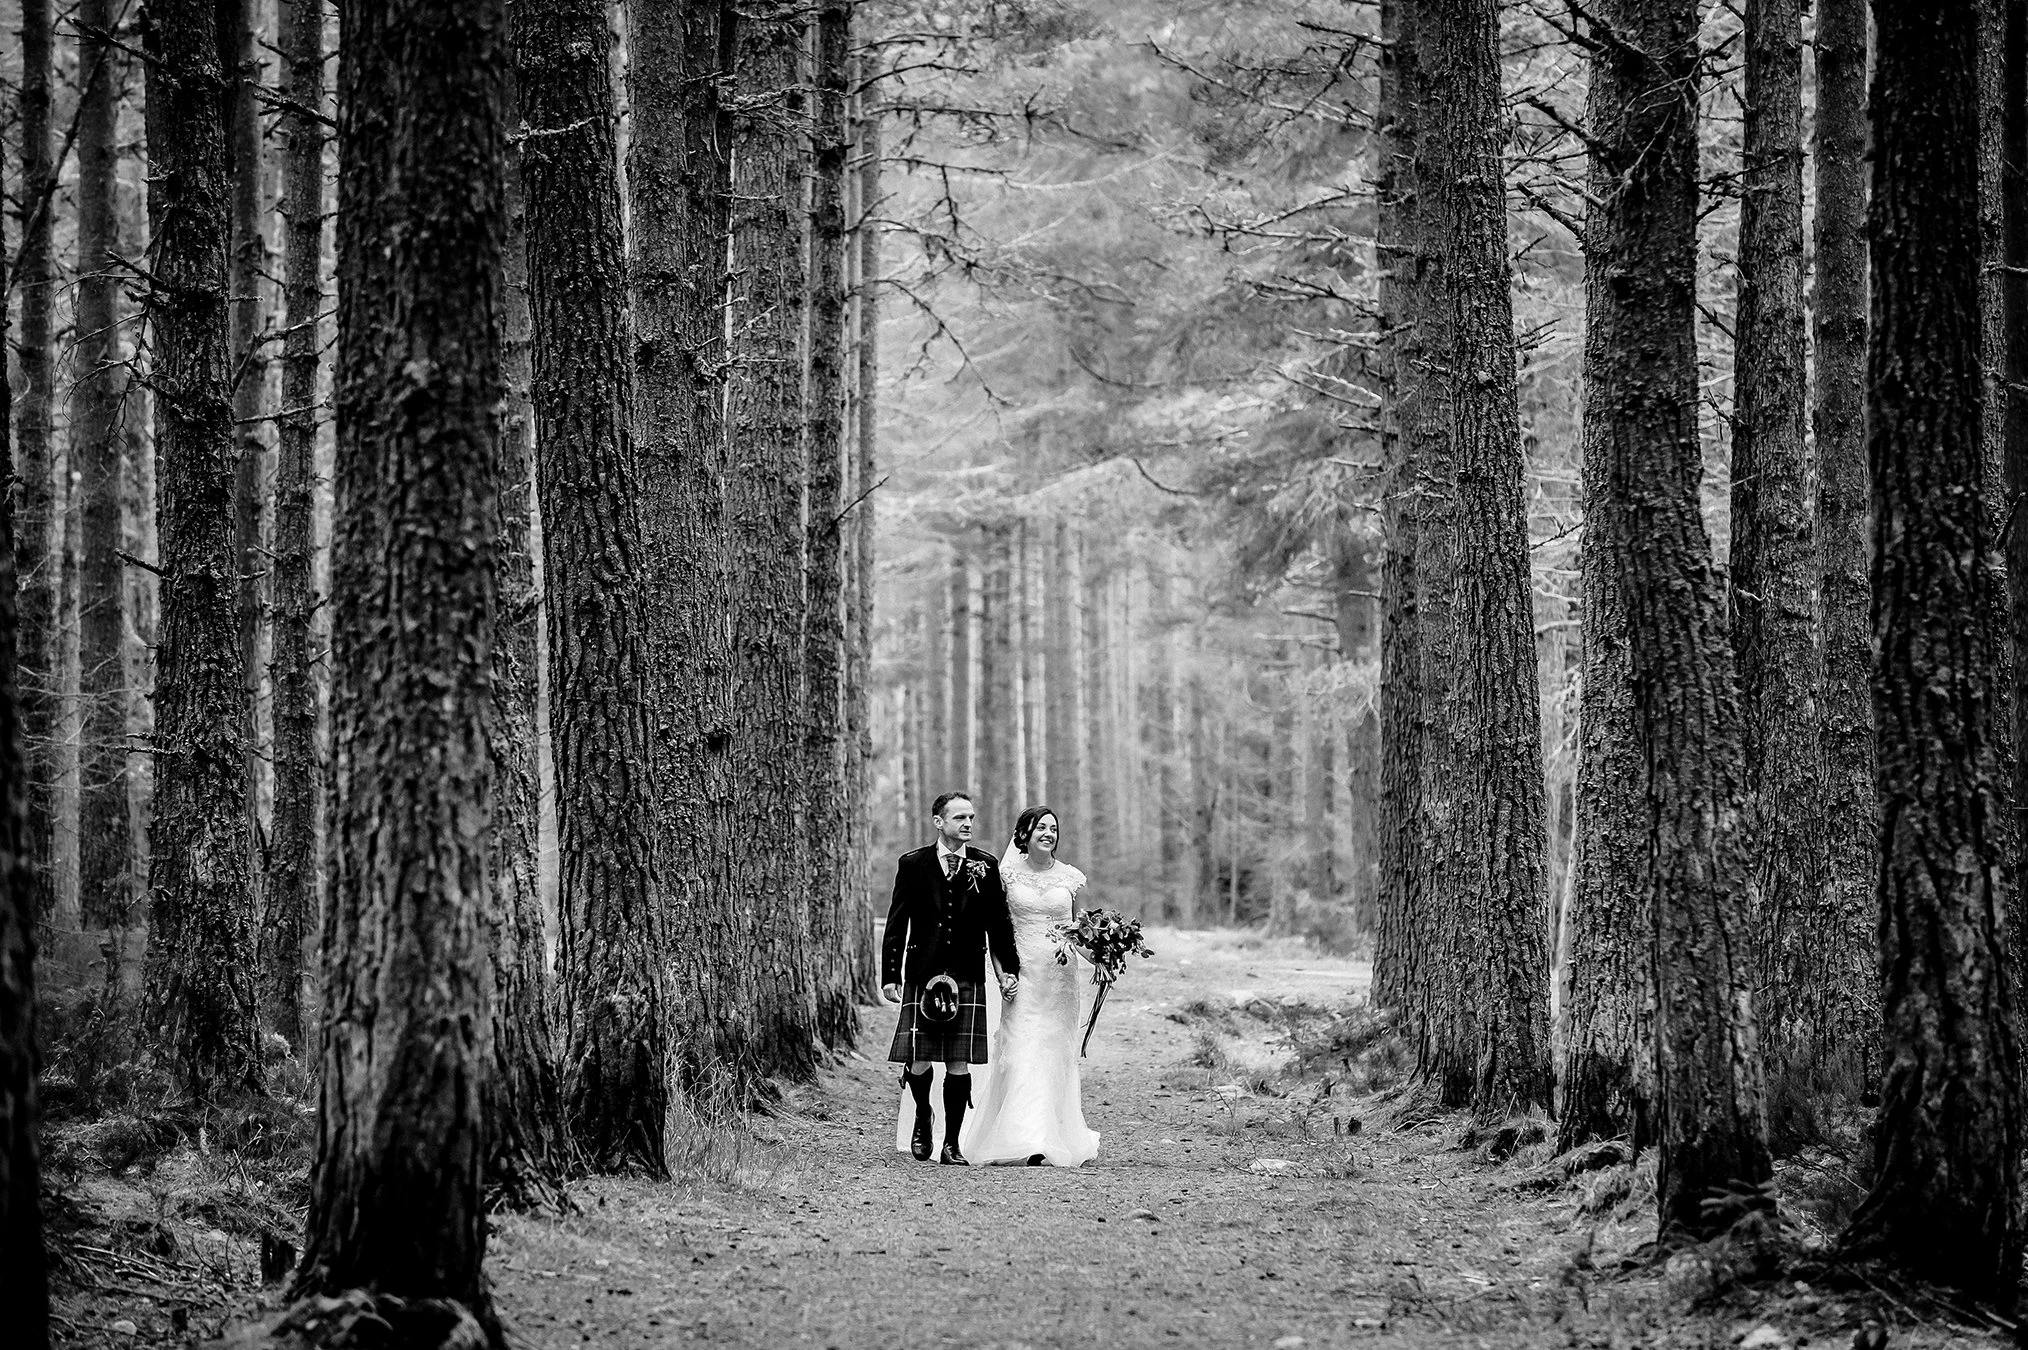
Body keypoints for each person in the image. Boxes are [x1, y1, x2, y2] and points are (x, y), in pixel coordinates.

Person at [959, 804, 1103, 1168]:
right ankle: (1020, 1136)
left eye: (1053, 828)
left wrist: (1104, 957)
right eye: (1041, 827)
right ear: (1023, 833)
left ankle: (1048, 1136)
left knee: (1054, 1053)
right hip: (1021, 973)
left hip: (1060, 977)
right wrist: (1001, 972)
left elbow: (1081, 930)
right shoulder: (1004, 875)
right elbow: (995, 928)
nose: (1048, 834)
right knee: (1021, 1049)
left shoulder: (1070, 878)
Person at [881, 791, 1020, 1165]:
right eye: (959, 818)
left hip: (967, 974)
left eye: (971, 817)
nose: (968, 824)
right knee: (921, 1059)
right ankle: (923, 1117)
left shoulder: (985, 866)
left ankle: (952, 1144)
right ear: (939, 822)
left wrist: (1008, 971)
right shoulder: (913, 864)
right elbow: (897, 923)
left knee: (959, 1063)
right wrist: (890, 974)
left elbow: (999, 926)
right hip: (922, 972)